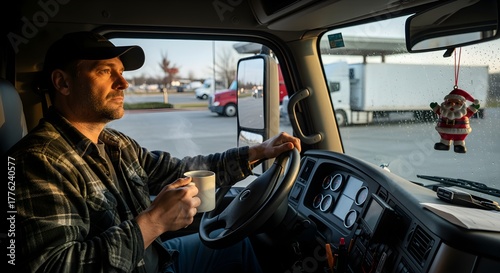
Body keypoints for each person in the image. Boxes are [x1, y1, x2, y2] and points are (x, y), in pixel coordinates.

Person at [7, 31, 301, 273]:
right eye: (105, 71)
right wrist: (154, 221)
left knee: (238, 243)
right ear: (63, 83)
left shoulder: (116, 144)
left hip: (154, 260)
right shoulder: (37, 162)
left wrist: (257, 152)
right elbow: (54, 266)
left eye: (120, 72)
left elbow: (180, 170)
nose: (123, 83)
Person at [430, 88, 480, 153]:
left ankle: (459, 145)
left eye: (457, 103)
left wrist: (474, 107)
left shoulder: (464, 112)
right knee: (445, 138)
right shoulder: (444, 112)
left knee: (459, 139)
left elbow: (471, 111)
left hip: (460, 131)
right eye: (449, 102)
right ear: (445, 103)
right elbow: (438, 111)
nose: (452, 105)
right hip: (444, 131)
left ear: (462, 104)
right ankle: (444, 143)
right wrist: (435, 107)